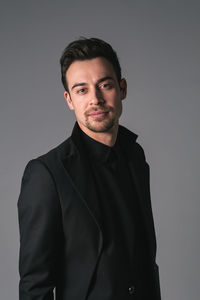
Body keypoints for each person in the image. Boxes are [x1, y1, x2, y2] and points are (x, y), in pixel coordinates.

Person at [18, 37, 161, 300]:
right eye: (81, 90)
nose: (95, 99)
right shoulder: (46, 175)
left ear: (122, 88)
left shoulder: (136, 156)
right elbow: (34, 286)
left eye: (104, 85)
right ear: (69, 99)